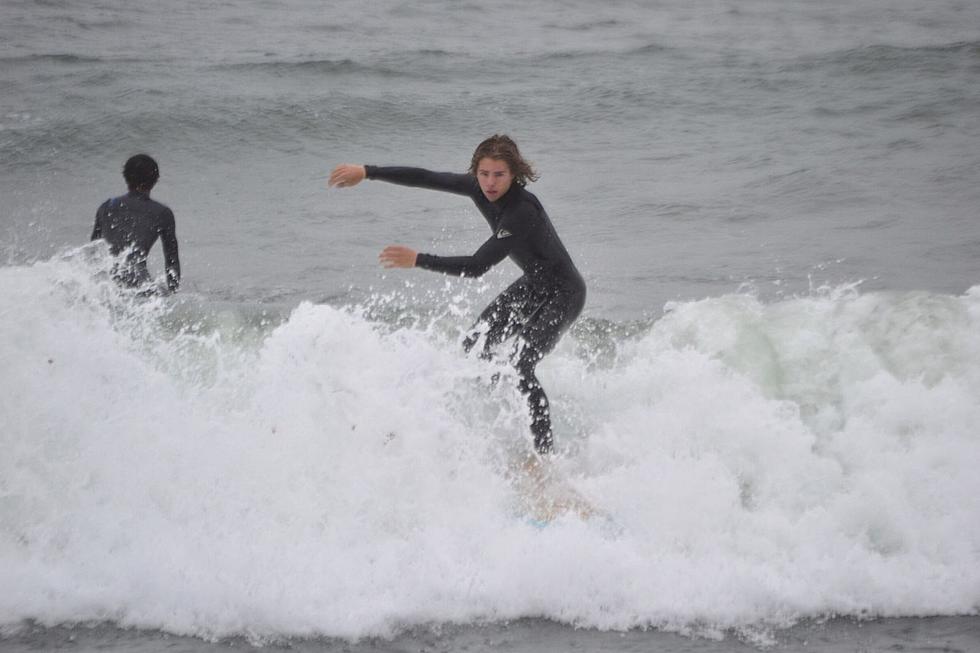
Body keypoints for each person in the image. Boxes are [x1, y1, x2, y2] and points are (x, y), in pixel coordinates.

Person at [329, 135, 586, 455]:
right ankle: (505, 421)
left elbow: (478, 266)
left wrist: (419, 260)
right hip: (534, 284)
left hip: (565, 292)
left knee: (522, 364)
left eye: (499, 175)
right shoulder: (478, 188)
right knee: (476, 345)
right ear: (476, 172)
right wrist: (367, 171)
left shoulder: (521, 212)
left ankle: (544, 456)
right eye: (484, 174)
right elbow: (426, 177)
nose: (490, 183)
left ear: (514, 174)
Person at [91, 154, 180, 293]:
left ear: (125, 177)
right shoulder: (162, 213)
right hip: (140, 286)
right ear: (155, 180)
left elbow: (94, 251)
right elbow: (172, 260)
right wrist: (173, 294)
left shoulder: (106, 206)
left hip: (107, 286)